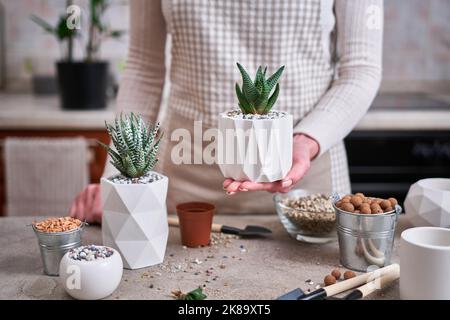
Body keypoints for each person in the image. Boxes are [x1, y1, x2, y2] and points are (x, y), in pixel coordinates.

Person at [70, 0, 383, 223]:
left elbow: (361, 68)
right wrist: (116, 180)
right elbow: (143, 67)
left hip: (306, 186)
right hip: (186, 180)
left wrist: (305, 142)